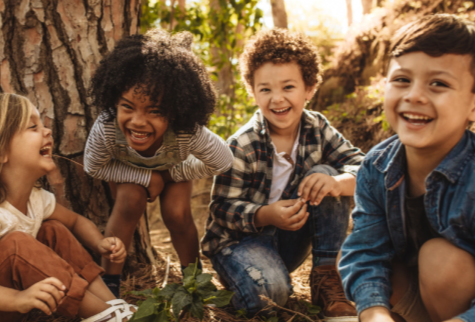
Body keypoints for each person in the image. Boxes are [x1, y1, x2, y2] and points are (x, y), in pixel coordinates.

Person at [0, 94, 136, 322]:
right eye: (33, 127)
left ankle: (112, 305)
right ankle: (103, 317)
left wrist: (98, 243)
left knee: (54, 230)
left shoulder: (36, 199)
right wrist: (17, 300)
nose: (47, 131)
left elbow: (75, 222)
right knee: (16, 244)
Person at [201, 28, 364, 321]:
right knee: (271, 298)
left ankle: (326, 275)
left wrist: (337, 182)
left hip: (289, 239)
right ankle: (259, 282)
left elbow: (365, 169)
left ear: (310, 88)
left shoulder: (317, 127)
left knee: (326, 174)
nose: (277, 99)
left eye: (288, 87)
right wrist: (266, 215)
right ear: (253, 92)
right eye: (266, 89)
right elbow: (221, 209)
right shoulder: (243, 143)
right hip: (239, 244)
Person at [339, 14, 475, 322]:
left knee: (440, 260)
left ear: (472, 104)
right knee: (367, 263)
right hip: (416, 296)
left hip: (458, 297)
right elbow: (366, 252)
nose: (414, 95)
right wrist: (374, 314)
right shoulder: (376, 166)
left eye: (438, 83)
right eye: (402, 80)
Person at [83, 29, 233, 297]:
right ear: (114, 101)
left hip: (173, 170)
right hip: (128, 172)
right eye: (127, 106)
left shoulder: (186, 131)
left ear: (175, 112)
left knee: (176, 213)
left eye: (155, 111)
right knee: (129, 200)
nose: (138, 121)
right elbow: (93, 166)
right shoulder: (107, 126)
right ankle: (109, 288)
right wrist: (145, 178)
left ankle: (193, 281)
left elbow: (222, 160)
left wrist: (174, 173)